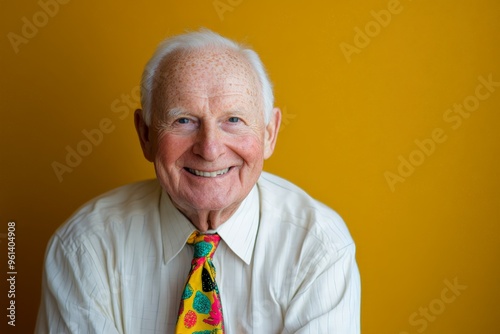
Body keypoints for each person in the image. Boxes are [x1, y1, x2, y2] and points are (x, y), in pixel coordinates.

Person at [36, 29, 360, 333]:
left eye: (233, 120)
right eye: (184, 120)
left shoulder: (318, 246)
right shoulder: (84, 248)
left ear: (269, 133)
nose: (209, 148)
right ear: (145, 135)